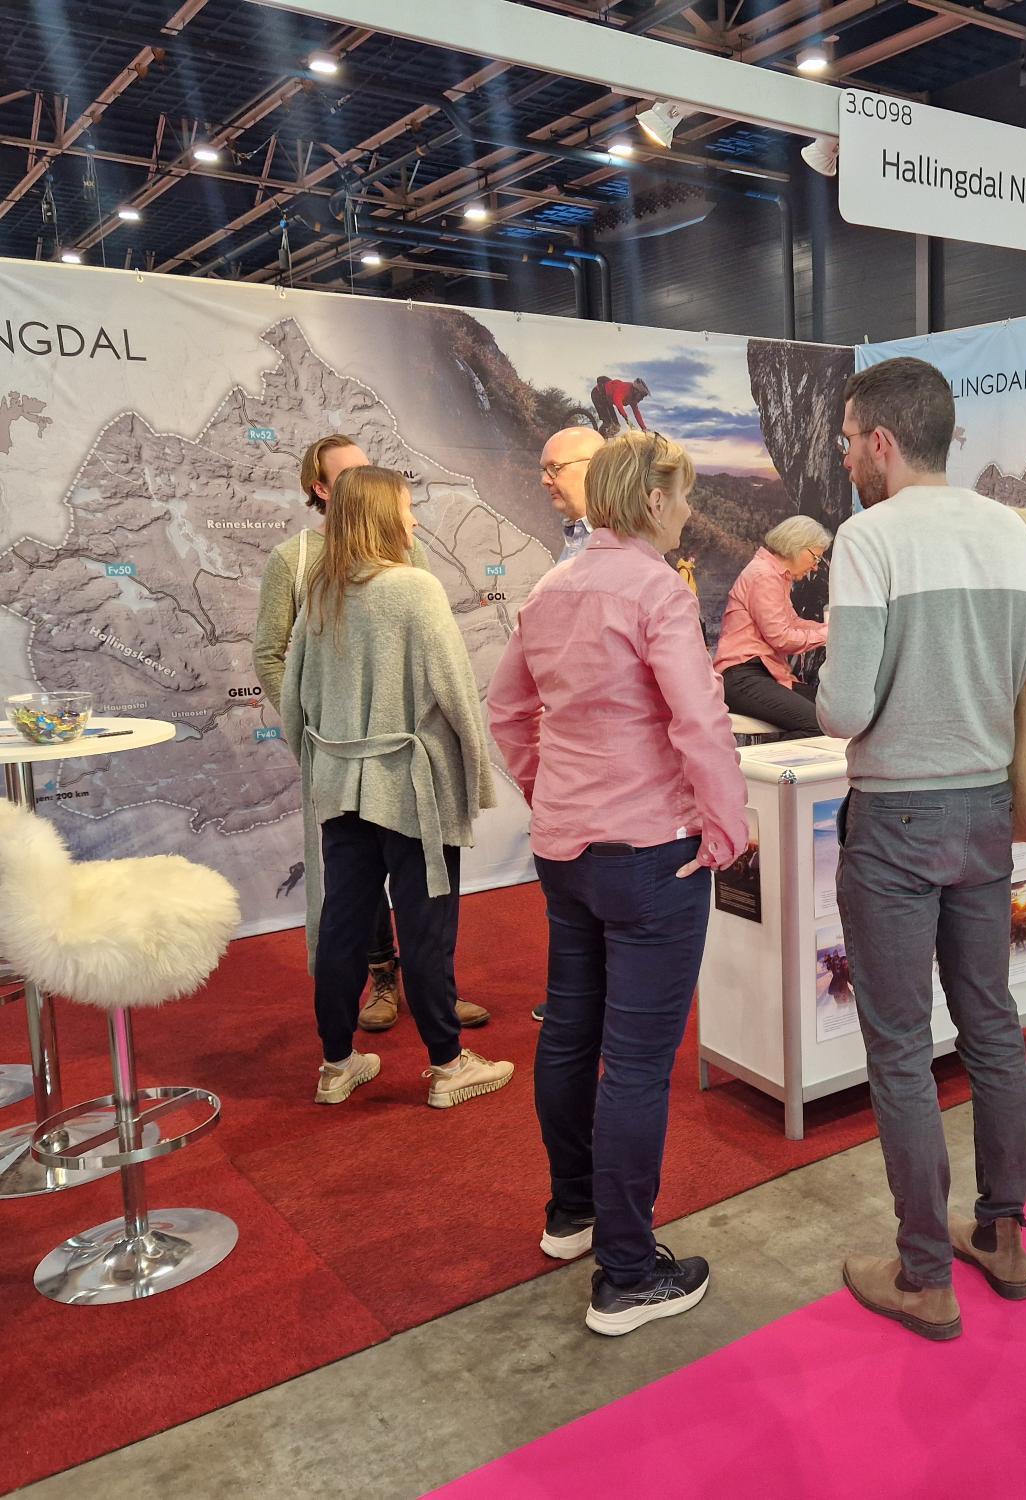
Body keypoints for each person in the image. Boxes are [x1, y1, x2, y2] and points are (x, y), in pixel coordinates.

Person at [489, 430, 748, 1337]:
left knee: (570, 1035)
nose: (689, 510)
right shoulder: (656, 591)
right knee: (635, 1065)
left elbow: (507, 710)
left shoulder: (550, 590)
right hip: (650, 854)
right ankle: (628, 1275)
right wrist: (727, 826)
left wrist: (546, 792)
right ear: (652, 500)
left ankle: (574, 1213)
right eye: (683, 495)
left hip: (567, 852)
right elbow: (699, 720)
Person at [821, 356, 1026, 1342]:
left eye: (847, 441)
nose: (844, 458)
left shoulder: (868, 538)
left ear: (880, 442)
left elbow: (844, 707)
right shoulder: (1012, 530)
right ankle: (1002, 1235)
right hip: (986, 807)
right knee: (992, 1023)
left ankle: (924, 1275)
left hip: (895, 820)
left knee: (900, 1048)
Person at [282, 465, 508, 1110]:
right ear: (384, 515)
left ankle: (335, 1063)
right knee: (426, 925)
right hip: (412, 790)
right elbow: (456, 692)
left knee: (343, 925)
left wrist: (320, 769)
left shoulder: (321, 591)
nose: (413, 520)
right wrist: (477, 781)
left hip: (341, 789)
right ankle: (447, 1065)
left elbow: (293, 699)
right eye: (407, 508)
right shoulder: (415, 588)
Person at [254, 435, 489, 1032]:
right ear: (324, 490)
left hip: (370, 760)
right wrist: (317, 735)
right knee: (410, 905)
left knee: (354, 908)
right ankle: (437, 1045)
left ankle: (350, 1048)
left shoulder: (393, 568)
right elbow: (277, 657)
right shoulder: (298, 564)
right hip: (368, 765)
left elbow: (419, 651)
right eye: (354, 474)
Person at [713, 515, 832, 738]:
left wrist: (831, 629)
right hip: (742, 676)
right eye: (815, 557)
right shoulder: (763, 575)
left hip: (762, 674)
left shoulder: (774, 575)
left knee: (834, 716)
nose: (815, 567)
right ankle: (775, 763)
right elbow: (781, 638)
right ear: (797, 546)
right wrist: (830, 634)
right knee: (818, 724)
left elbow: (792, 623)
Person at [541, 425, 605, 564]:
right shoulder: (575, 538)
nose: (544, 480)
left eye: (554, 468)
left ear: (595, 467)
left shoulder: (625, 546)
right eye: (544, 470)